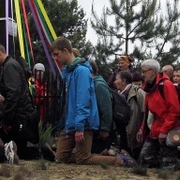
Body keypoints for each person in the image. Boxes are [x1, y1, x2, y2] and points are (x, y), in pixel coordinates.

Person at [52, 37, 128, 166]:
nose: (55, 58)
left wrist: (80, 127)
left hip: (83, 122)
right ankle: (104, 156)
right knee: (60, 157)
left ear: (65, 51)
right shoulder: (70, 72)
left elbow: (83, 100)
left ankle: (118, 161)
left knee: (83, 159)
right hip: (71, 121)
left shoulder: (81, 71)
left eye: (56, 54)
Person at [137, 59, 180, 171]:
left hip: (170, 127)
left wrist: (164, 130)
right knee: (144, 160)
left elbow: (174, 111)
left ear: (152, 71)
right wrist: (143, 129)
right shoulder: (149, 87)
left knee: (169, 167)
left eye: (144, 71)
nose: (142, 75)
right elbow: (148, 112)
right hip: (156, 128)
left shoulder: (166, 85)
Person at [0, 41, 37, 159]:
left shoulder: (9, 66)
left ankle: (42, 154)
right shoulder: (9, 65)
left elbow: (13, 94)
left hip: (17, 115)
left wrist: (7, 119)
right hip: (17, 113)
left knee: (20, 150)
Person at [113, 70, 146, 160]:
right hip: (123, 132)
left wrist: (141, 129)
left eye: (117, 79)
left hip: (135, 132)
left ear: (124, 81)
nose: (114, 82)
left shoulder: (138, 93)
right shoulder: (118, 95)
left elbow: (146, 112)